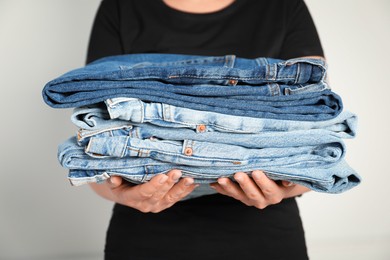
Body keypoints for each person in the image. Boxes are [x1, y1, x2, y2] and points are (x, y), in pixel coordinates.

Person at [86, 0, 324, 259]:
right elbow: (94, 142)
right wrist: (124, 194)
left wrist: (287, 187)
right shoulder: (121, 5)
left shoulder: (283, 6)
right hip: (145, 236)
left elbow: (318, 134)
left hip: (266, 237)